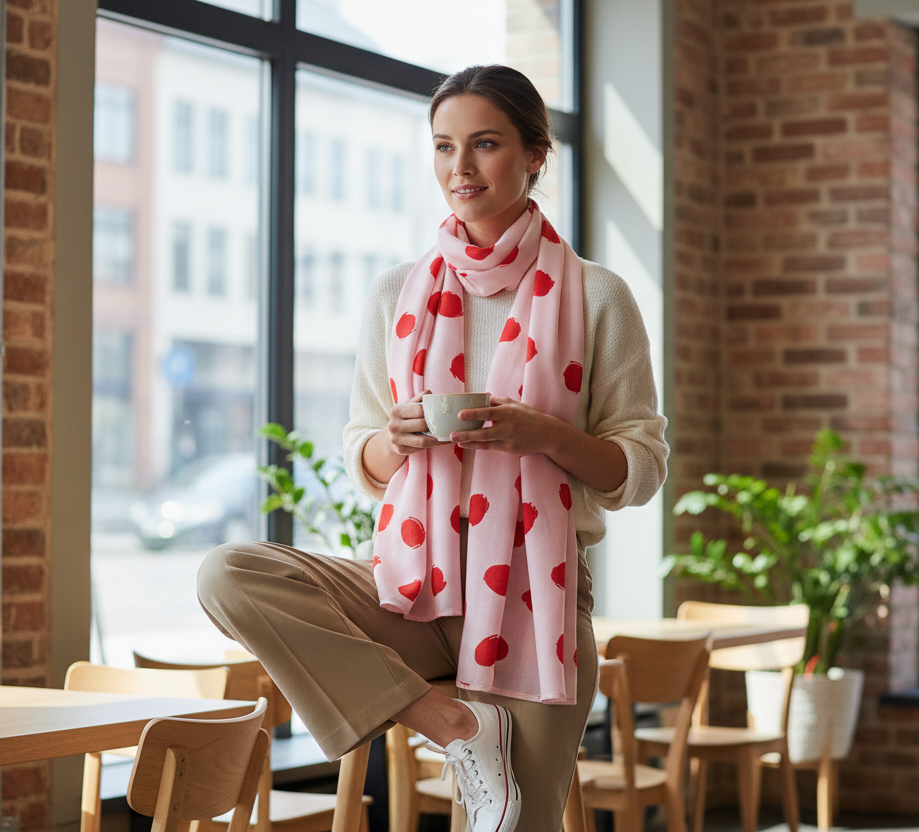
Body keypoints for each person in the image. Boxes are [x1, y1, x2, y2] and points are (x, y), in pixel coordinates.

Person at [197, 64, 667, 832]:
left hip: (531, 594)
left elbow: (638, 470)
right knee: (229, 573)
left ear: (535, 153)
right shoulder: (397, 293)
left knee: (514, 826)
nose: (460, 167)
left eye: (484, 144)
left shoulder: (597, 295)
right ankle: (451, 725)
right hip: (411, 586)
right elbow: (364, 457)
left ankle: (484, 739)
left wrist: (541, 434)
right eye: (444, 147)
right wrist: (395, 439)